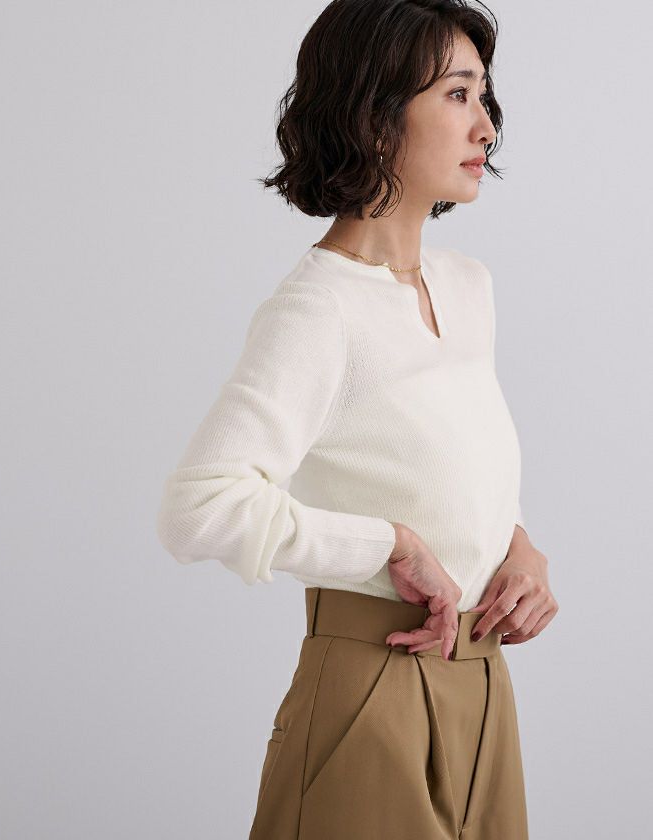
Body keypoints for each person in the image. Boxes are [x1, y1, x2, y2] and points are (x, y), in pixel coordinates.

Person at [156, 1, 558, 837]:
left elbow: (443, 461)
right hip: (372, 693)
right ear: (376, 117)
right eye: (457, 94)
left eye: (485, 95)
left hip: (486, 691)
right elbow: (199, 507)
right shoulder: (318, 311)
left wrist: (518, 546)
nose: (487, 126)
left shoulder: (468, 289)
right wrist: (387, 547)